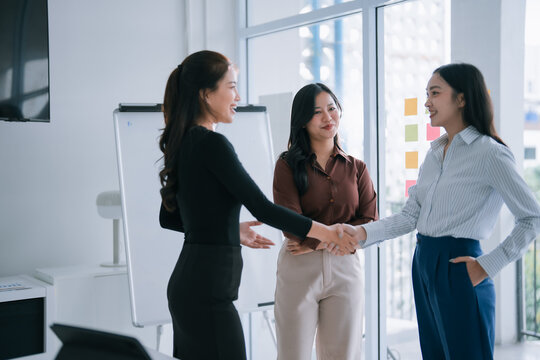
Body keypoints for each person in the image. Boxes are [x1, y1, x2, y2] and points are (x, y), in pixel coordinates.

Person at [157, 50, 356, 360]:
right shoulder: (212, 143)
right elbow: (263, 208)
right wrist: (328, 233)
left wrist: (230, 228)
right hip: (209, 293)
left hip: (189, 287)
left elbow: (169, 218)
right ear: (206, 94)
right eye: (231, 86)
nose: (237, 96)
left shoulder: (186, 141)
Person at [344, 63, 540, 360]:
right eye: (427, 94)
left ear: (461, 98)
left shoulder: (491, 153)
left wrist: (487, 265)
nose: (427, 102)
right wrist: (361, 233)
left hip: (460, 265)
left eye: (435, 93)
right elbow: (411, 216)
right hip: (424, 262)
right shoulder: (435, 153)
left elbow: (532, 217)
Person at [272, 83, 378, 360]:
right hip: (299, 269)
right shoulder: (287, 165)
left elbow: (369, 220)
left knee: (344, 355)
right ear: (302, 121)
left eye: (332, 109)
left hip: (345, 268)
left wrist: (315, 244)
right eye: (317, 112)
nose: (327, 117)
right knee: (292, 354)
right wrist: (324, 240)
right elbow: (290, 221)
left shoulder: (357, 167)